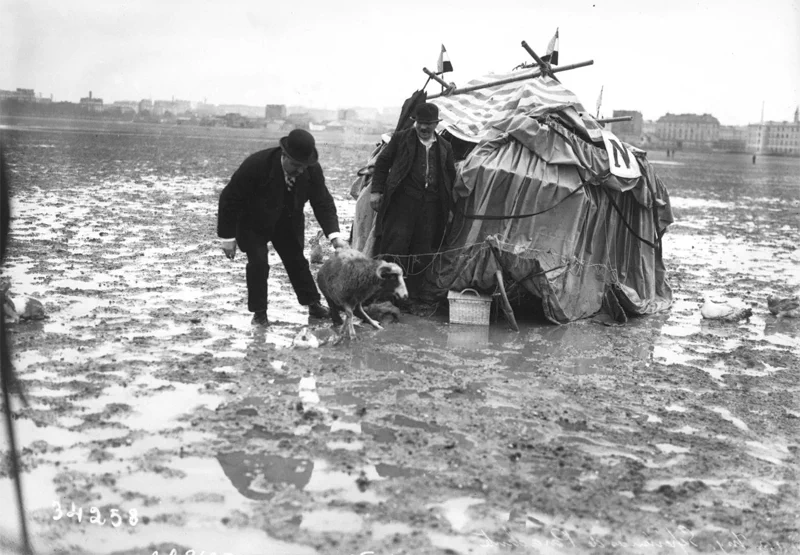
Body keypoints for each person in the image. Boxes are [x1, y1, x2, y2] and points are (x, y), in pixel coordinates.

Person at [217, 129, 348, 326]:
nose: (301, 170)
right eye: (296, 165)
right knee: (259, 264)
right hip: (253, 222)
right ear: (284, 155)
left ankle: (313, 305)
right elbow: (229, 199)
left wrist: (335, 236)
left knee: (297, 261)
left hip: (288, 221)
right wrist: (227, 238)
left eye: (304, 166)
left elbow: (323, 203)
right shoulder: (257, 164)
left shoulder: (311, 169)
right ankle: (259, 313)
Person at [369, 102, 457, 300]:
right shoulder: (401, 139)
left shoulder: (445, 147)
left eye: (428, 123)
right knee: (394, 249)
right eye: (420, 123)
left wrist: (449, 208)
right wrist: (376, 192)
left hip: (430, 207)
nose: (424, 128)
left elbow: (450, 179)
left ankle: (411, 298)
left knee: (422, 252)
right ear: (415, 122)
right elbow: (382, 163)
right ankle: (385, 296)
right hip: (402, 204)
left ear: (436, 124)